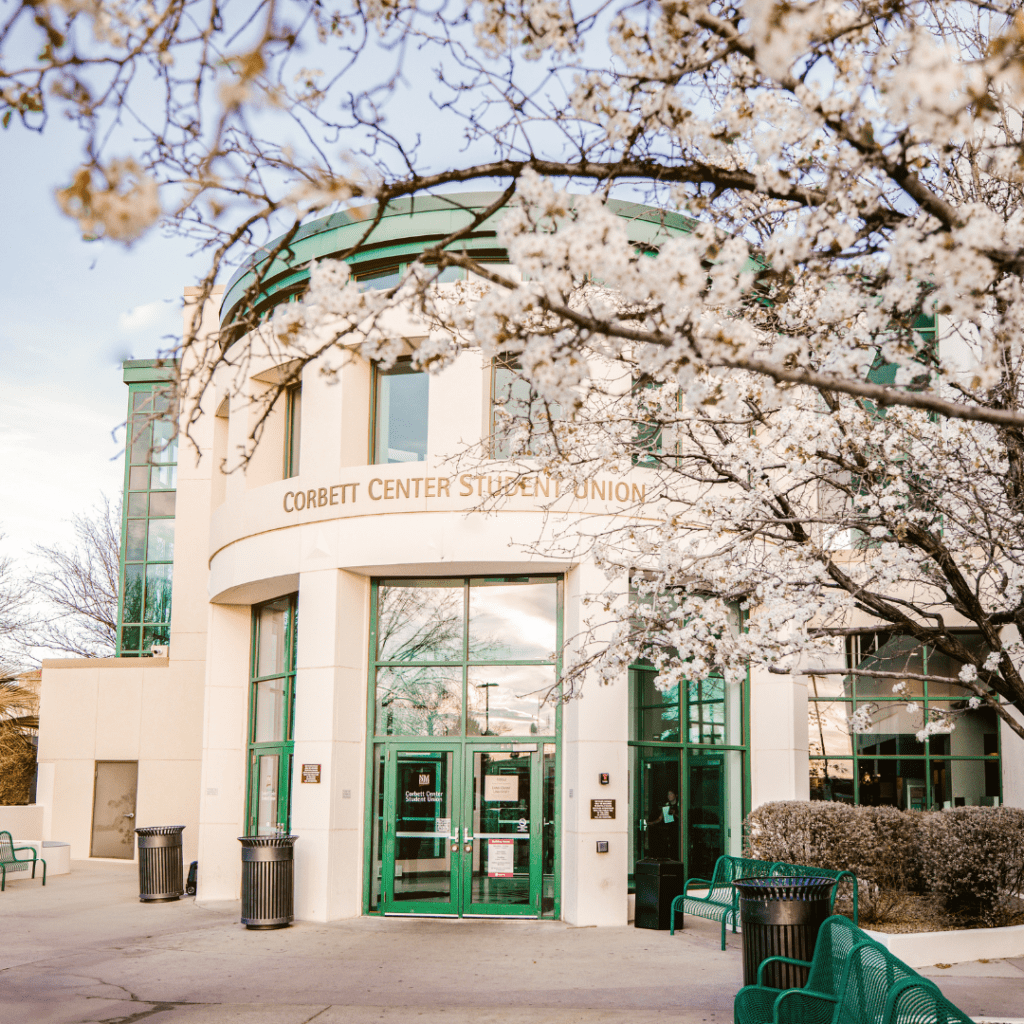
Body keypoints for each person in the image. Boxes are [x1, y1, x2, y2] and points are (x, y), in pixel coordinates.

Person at [647, 789, 680, 859]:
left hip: (679, 830)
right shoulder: (666, 805)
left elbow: (683, 818)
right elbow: (660, 818)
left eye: (671, 794)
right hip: (670, 829)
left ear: (676, 795)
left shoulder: (679, 805)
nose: (669, 796)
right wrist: (651, 823)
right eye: (668, 794)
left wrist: (675, 813)